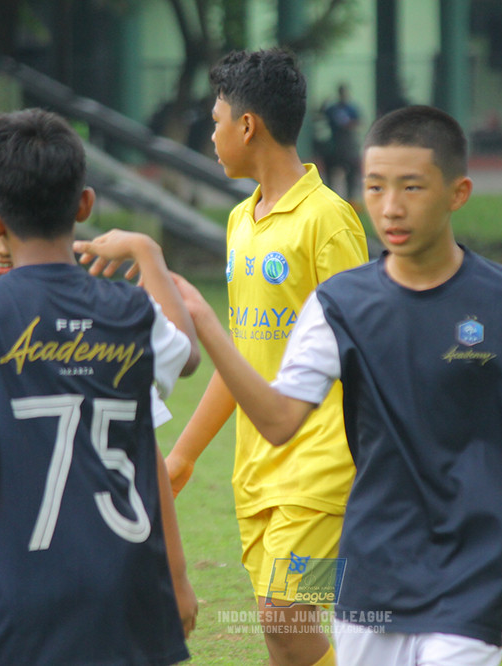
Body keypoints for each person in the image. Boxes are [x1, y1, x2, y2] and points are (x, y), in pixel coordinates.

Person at [174, 104, 502, 665]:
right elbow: (276, 420)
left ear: (457, 192)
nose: (390, 207)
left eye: (411, 187)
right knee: (282, 618)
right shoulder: (338, 307)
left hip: (476, 563)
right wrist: (204, 323)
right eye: (375, 186)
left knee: (288, 612)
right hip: (371, 568)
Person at [0, 108, 199, 665]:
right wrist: (147, 254)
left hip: (15, 596)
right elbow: (188, 353)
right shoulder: (130, 311)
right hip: (122, 588)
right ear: (83, 205)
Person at [164, 48, 368, 666]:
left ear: (247, 126)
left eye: (217, 119)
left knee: (285, 615)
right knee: (281, 637)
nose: (212, 133)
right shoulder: (239, 223)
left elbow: (367, 352)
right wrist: (184, 455)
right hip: (255, 467)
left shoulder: (329, 221)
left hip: (321, 460)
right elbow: (240, 358)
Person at [320, 84, 362, 199]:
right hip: (335, 142)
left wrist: (349, 125)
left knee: (351, 171)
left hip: (347, 142)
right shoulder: (333, 108)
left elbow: (358, 122)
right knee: (330, 171)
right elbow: (321, 115)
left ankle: (350, 198)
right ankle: (330, 195)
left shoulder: (351, 108)